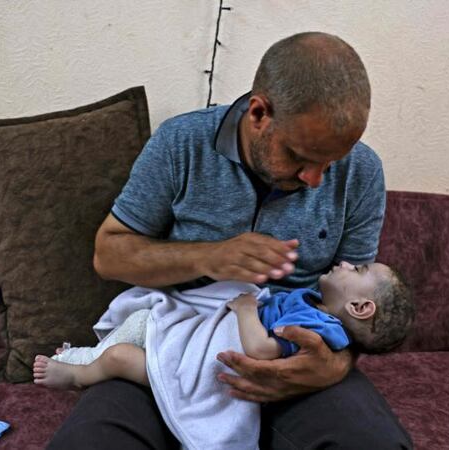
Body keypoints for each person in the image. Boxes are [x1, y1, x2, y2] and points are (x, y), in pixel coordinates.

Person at [48, 31, 413, 449]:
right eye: (300, 157)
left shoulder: (363, 171)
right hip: (174, 343)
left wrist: (331, 367)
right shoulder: (181, 143)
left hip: (291, 362)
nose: (315, 179)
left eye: (330, 163)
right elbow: (109, 254)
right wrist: (208, 257)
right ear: (259, 113)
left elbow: (356, 316)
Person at [32, 262, 414, 391]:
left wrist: (247, 309)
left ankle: (79, 371)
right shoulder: (314, 307)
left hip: (211, 366)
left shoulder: (318, 326)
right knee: (140, 326)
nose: (347, 263)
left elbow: (262, 351)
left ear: (361, 307)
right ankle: (82, 358)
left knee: (120, 357)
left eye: (359, 270)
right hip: (205, 339)